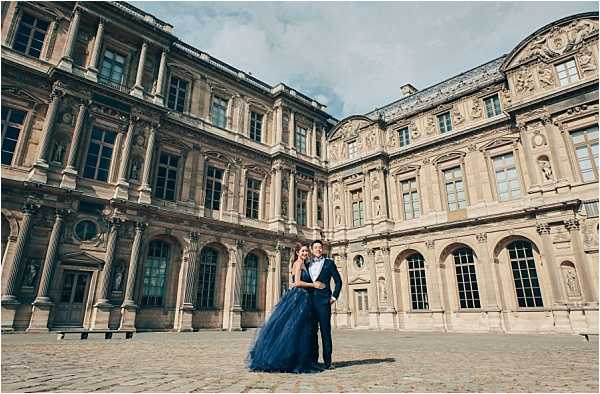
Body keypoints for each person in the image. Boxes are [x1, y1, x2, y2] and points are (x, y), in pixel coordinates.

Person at [247, 243, 325, 373]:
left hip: (303, 297)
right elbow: (297, 282)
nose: (305, 253)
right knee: (293, 329)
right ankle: (288, 360)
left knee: (299, 330)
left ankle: (296, 359)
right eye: (303, 251)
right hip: (299, 297)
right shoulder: (298, 264)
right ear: (297, 253)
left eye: (306, 251)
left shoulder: (304, 264)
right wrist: (314, 285)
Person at [307, 240, 342, 370]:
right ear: (312, 250)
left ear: (323, 249)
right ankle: (314, 360)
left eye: (320, 247)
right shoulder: (307, 263)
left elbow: (338, 282)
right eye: (315, 247)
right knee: (312, 332)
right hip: (310, 303)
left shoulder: (329, 263)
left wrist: (334, 297)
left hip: (323, 302)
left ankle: (328, 361)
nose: (318, 249)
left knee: (325, 332)